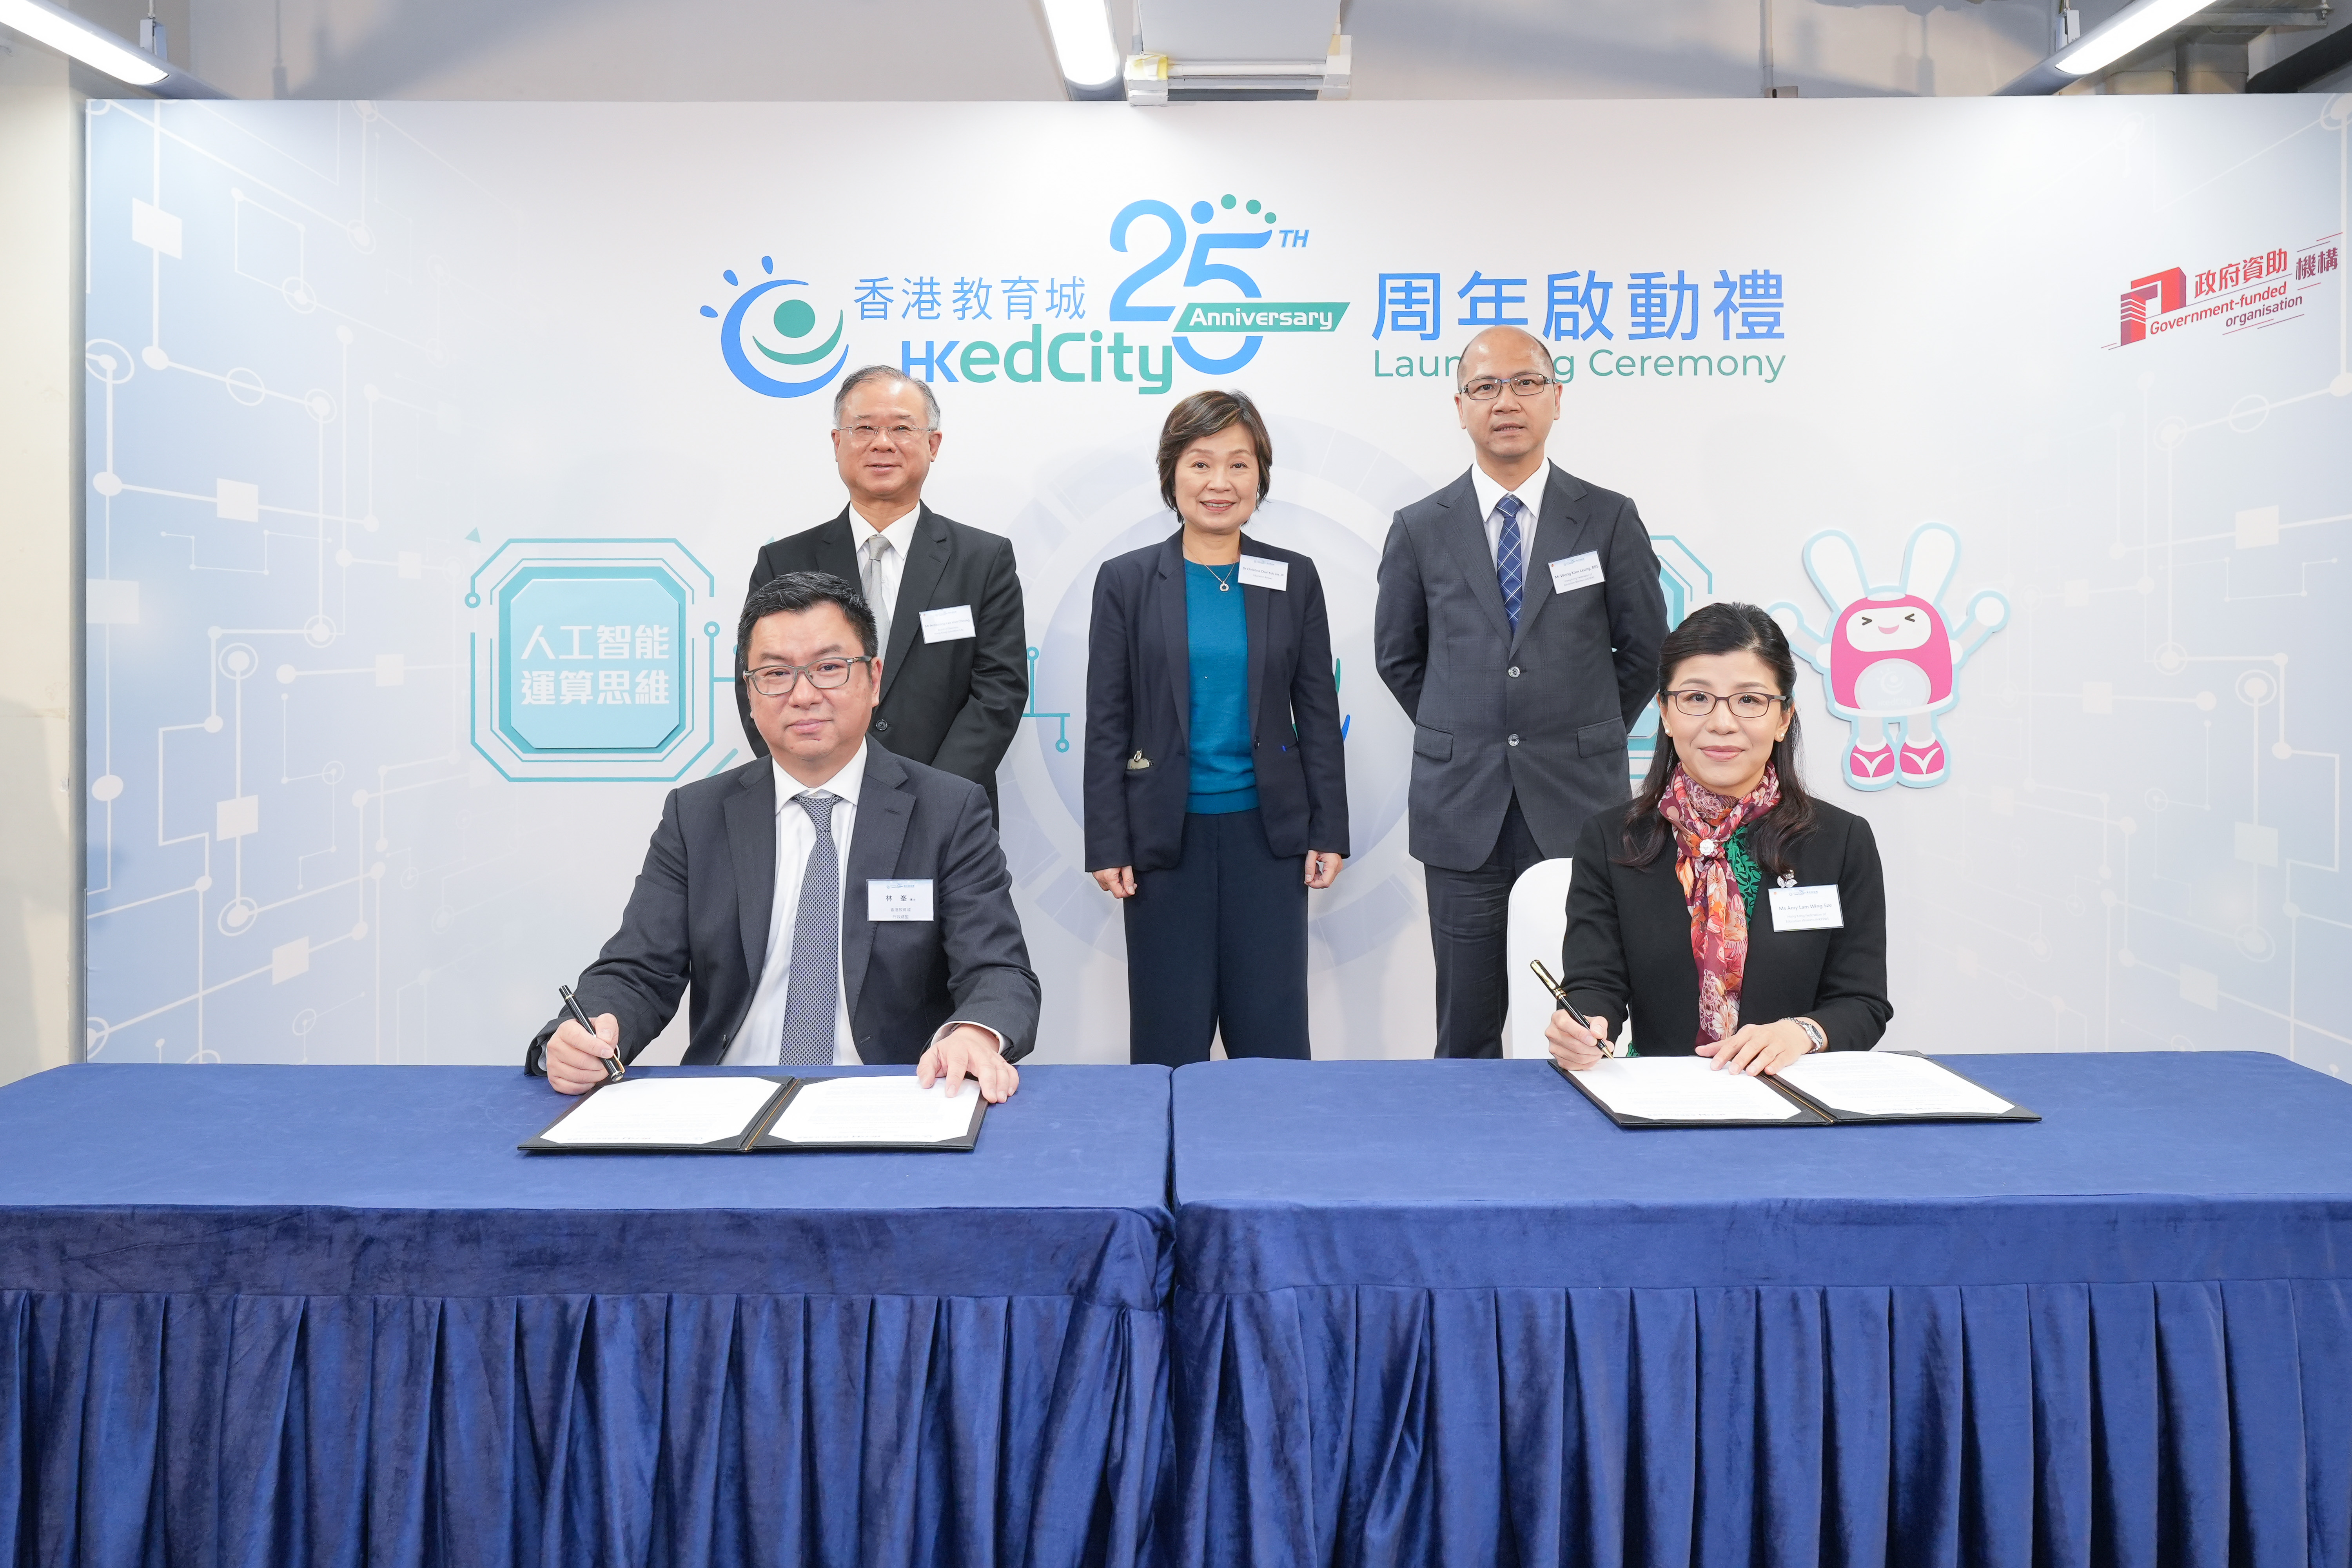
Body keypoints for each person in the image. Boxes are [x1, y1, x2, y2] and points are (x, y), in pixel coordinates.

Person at [531, 571, 1036, 1100]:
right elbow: (637, 971)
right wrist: (581, 1036)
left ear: (874, 679)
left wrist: (974, 1034)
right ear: (749, 692)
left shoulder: (947, 810)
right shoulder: (697, 815)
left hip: (890, 1098)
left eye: (829, 668)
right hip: (727, 1103)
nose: (804, 695)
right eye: (775, 673)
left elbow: (998, 972)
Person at [1374, 325, 1669, 1058]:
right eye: (1485, 387)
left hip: (1577, 800)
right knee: (1466, 1026)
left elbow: (1646, 652)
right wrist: (1466, 724)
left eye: (1526, 383)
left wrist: (1582, 729)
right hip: (1462, 805)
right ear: (1461, 407)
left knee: (1582, 1019)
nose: (1506, 402)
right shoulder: (1420, 528)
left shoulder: (1608, 518)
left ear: (1556, 398)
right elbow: (1398, 656)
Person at [1083, 389, 1349, 1067]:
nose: (1219, 483)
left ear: (1261, 476)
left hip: (1269, 839)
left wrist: (1329, 829)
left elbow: (1318, 712)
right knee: (1169, 1043)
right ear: (1172, 475)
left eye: (1238, 464)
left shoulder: (1293, 576)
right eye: (1201, 464)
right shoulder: (1127, 581)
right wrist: (1107, 841)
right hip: (1163, 842)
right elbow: (1107, 720)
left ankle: (1271, 1143)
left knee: (1273, 1042)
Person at [1548, 601, 1891, 1076]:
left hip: (1795, 1094)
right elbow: (1594, 984)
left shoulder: (1841, 840)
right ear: (1665, 713)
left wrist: (1800, 1033)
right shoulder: (1613, 839)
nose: (1722, 723)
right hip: (1661, 1099)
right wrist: (1582, 1026)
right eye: (1696, 698)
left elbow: (1862, 1003)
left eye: (1749, 700)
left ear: (1783, 718)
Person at [736, 366, 1027, 816]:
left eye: (902, 429)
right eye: (865, 428)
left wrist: (935, 795)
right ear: (837, 443)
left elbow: (1000, 691)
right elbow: (759, 684)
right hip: (821, 805)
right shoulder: (784, 561)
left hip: (948, 810)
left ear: (933, 444)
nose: (883, 443)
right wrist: (820, 780)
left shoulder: (984, 560)